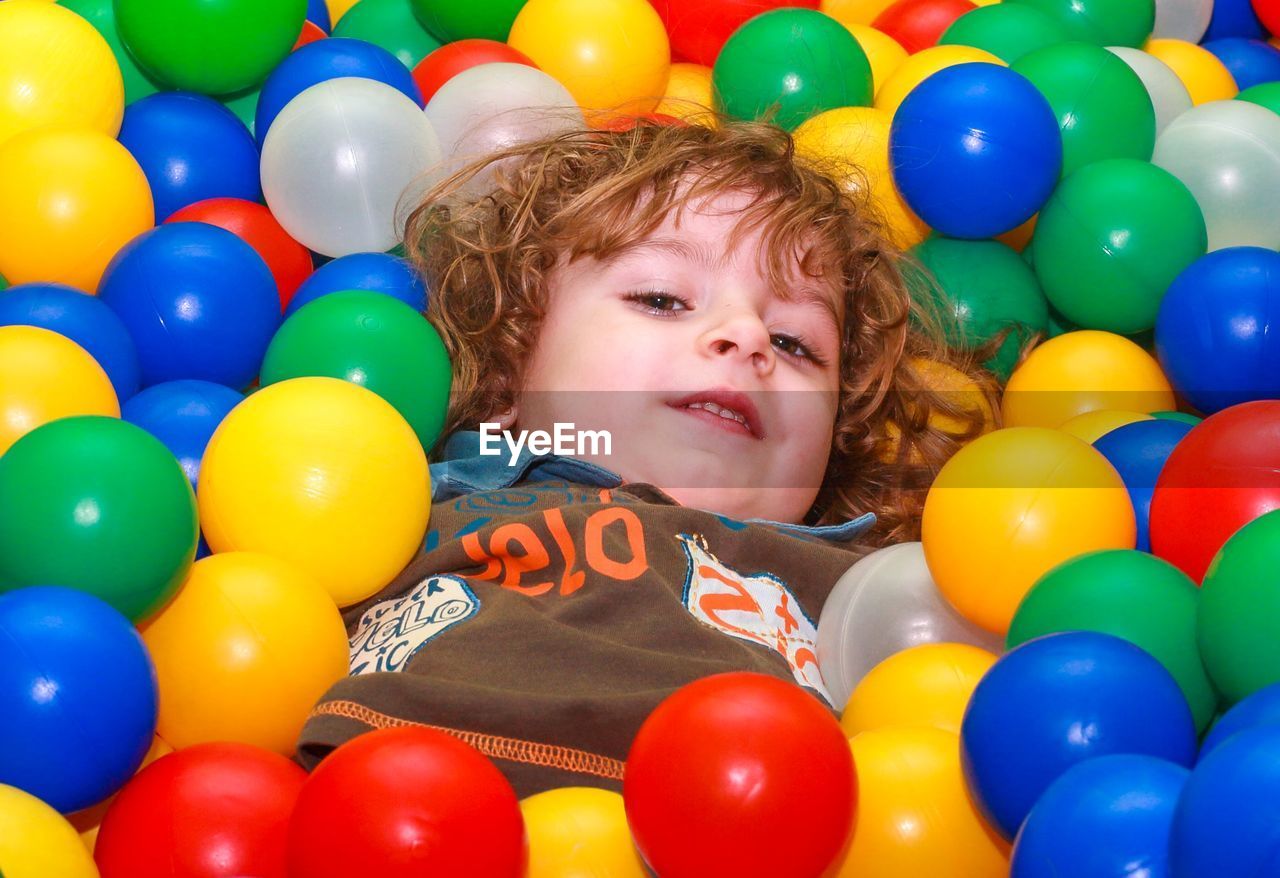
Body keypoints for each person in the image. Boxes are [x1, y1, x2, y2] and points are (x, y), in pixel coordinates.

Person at [296, 118, 998, 796]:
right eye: (662, 298)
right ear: (509, 374)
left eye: (795, 345)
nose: (747, 336)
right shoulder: (402, 503)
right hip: (400, 810)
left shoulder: (866, 596)